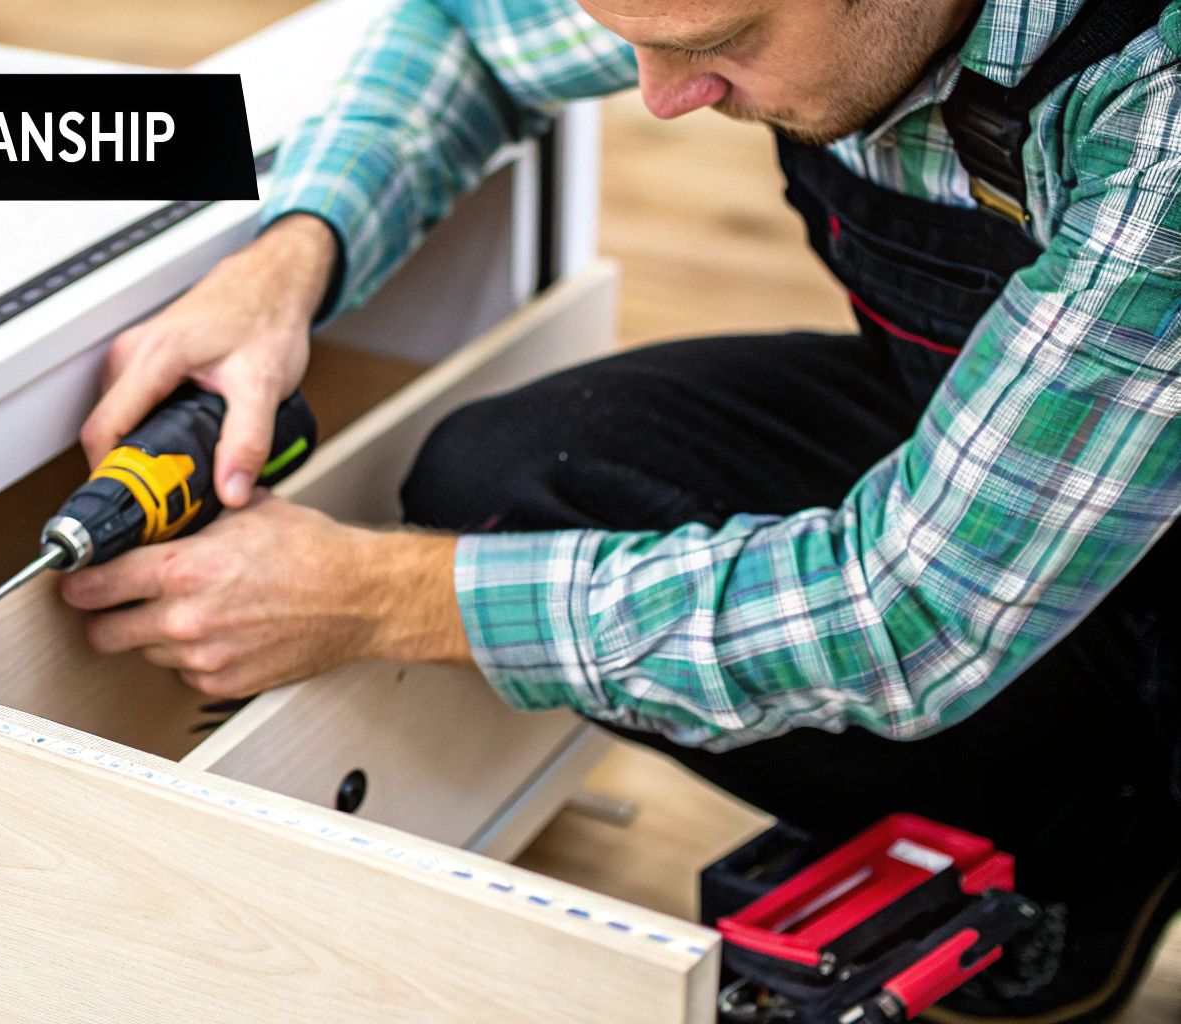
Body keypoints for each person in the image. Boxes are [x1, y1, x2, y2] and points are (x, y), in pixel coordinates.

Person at [67, 0, 1181, 1018]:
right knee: (511, 485)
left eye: (712, 48)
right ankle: (1076, 836)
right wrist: (293, 253)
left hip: (1023, 566)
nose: (656, 95)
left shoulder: (1155, 106)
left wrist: (376, 596)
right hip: (1014, 484)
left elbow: (905, 614)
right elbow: (466, 36)